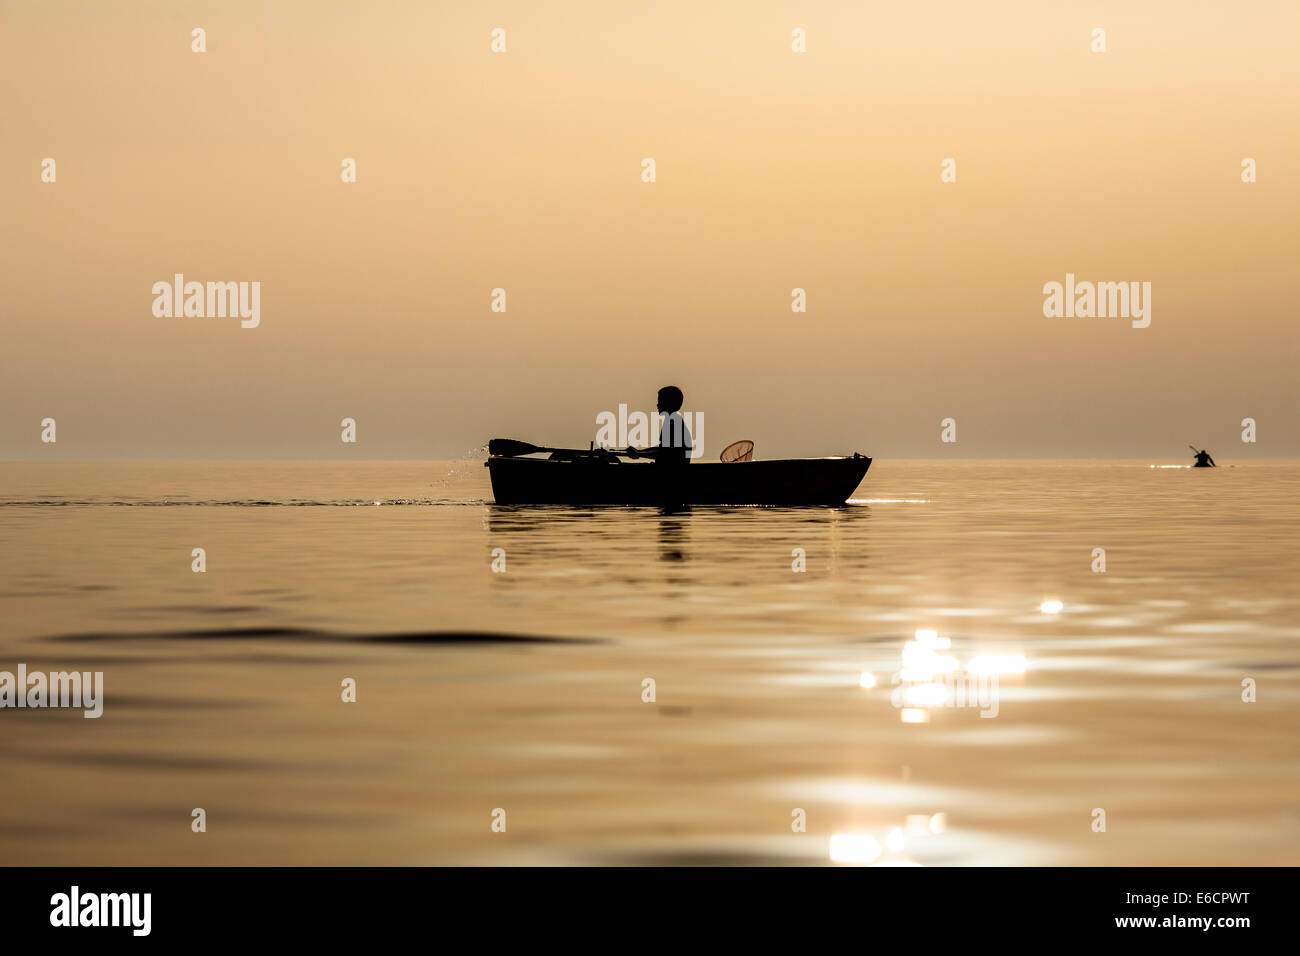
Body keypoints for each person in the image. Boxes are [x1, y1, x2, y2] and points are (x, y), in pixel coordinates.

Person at [626, 386, 692, 465]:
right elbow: (662, 448)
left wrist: (638, 453)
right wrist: (639, 452)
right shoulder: (673, 420)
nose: (657, 404)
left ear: (668, 402)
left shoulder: (673, 422)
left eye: (660, 401)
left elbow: (665, 452)